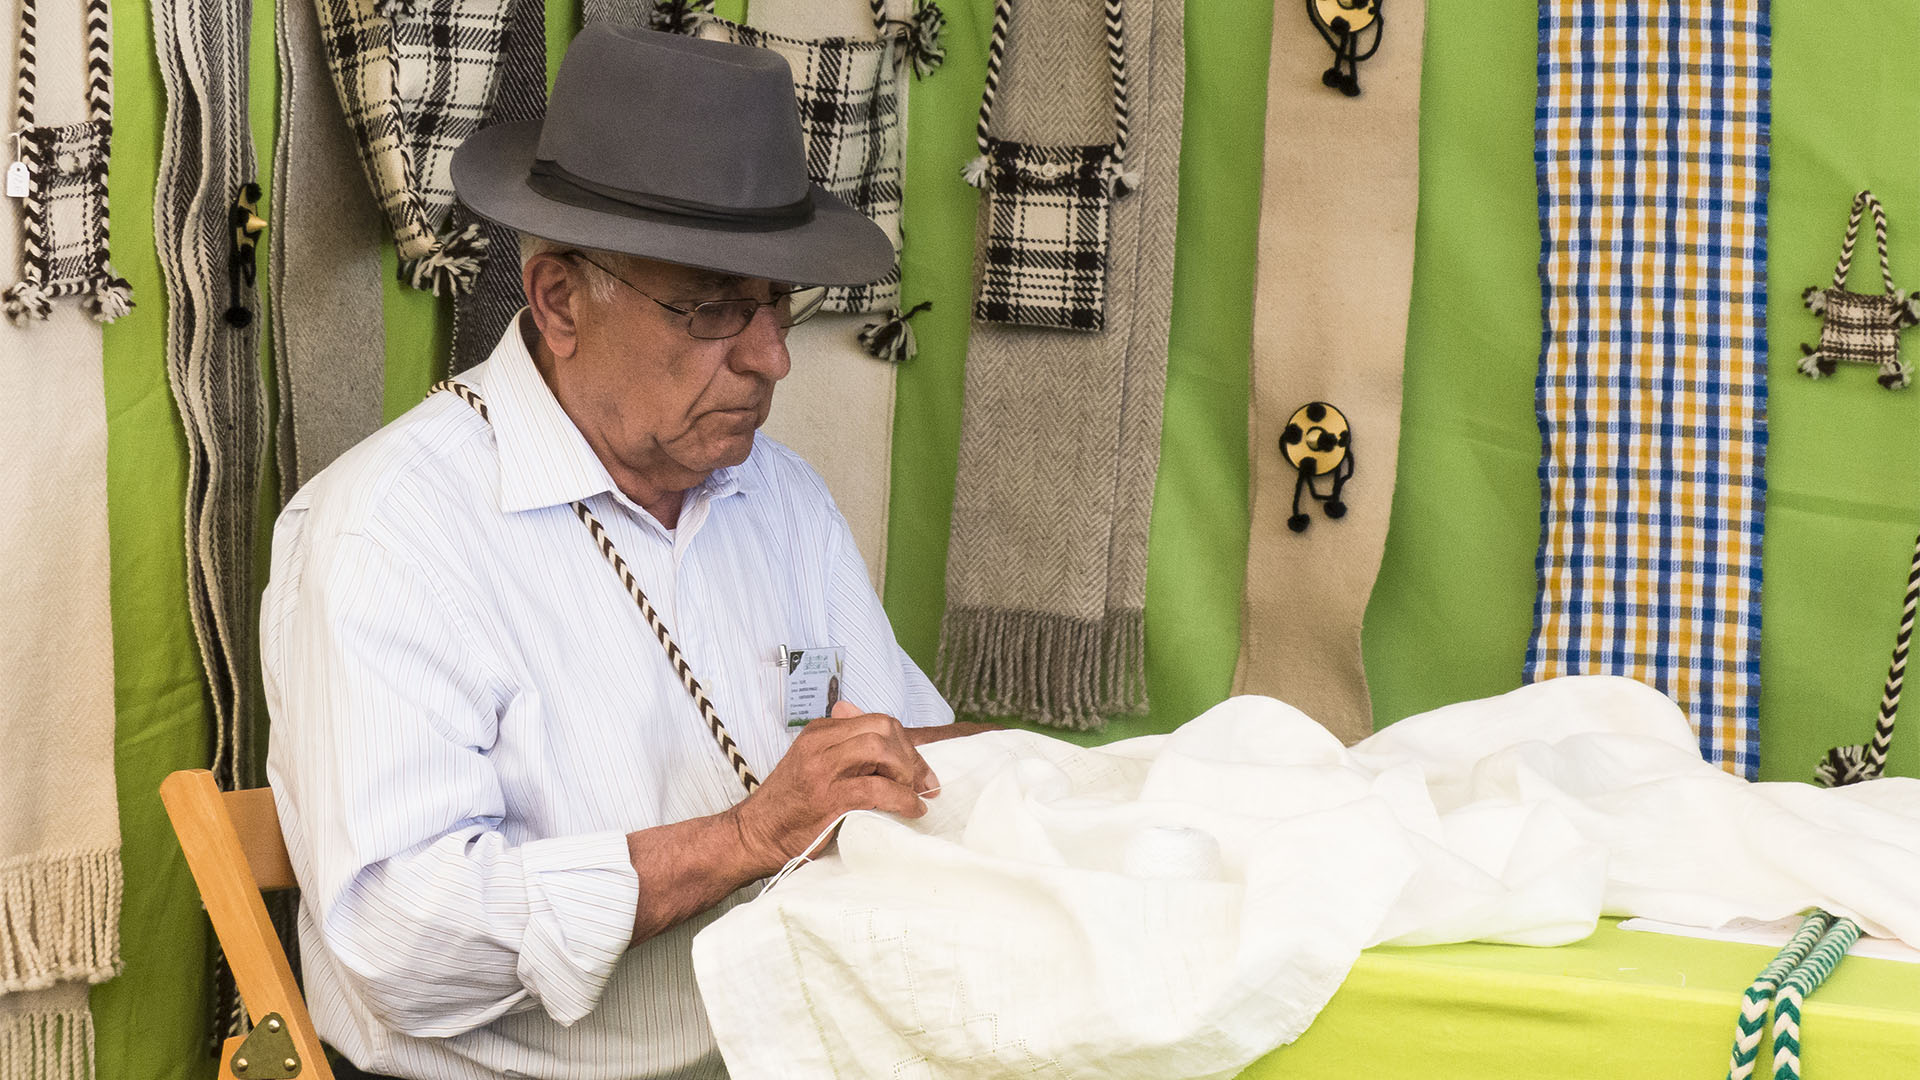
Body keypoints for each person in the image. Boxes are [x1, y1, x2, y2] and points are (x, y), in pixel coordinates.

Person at [263, 26, 985, 1080]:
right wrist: (745, 835)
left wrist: (1047, 783)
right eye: (713, 308)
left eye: (779, 302)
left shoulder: (778, 499)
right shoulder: (391, 532)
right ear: (558, 300)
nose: (772, 356)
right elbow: (403, 942)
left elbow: (878, 747)